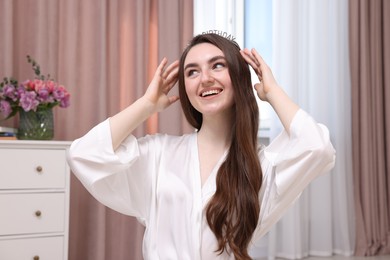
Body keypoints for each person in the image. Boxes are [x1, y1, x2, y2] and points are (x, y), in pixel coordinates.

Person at [67, 33, 336, 260]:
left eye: (217, 65)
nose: (204, 78)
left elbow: (317, 148)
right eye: (192, 71)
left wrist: (273, 92)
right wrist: (146, 105)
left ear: (239, 77)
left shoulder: (262, 167)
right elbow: (82, 154)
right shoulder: (158, 154)